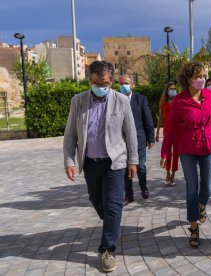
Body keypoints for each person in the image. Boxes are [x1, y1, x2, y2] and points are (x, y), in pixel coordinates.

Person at [63, 61, 138, 272]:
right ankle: (112, 224)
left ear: (111, 81)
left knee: (113, 204)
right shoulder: (78, 101)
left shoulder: (121, 101)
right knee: (96, 200)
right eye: (96, 83)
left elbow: (131, 133)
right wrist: (69, 161)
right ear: (90, 80)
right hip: (90, 162)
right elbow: (70, 134)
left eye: (104, 83)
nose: (100, 87)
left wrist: (133, 160)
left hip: (115, 162)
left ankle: (106, 249)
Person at [160, 61, 211, 248]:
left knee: (206, 187)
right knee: (192, 188)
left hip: (209, 146)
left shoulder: (209, 94)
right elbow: (171, 129)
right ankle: (193, 226)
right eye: (199, 76)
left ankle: (201, 207)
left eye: (203, 76)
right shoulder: (179, 101)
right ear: (189, 79)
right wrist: (165, 151)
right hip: (187, 149)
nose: (203, 79)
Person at [119, 74, 155, 204]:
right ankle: (129, 195)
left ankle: (143, 187)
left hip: (139, 139)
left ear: (132, 85)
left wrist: (151, 138)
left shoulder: (141, 99)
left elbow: (148, 120)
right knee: (125, 168)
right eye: (121, 83)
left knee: (140, 166)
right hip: (122, 141)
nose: (123, 86)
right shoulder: (116, 100)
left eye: (126, 83)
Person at [155, 82, 179, 186]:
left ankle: (173, 174)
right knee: (167, 152)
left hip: (178, 130)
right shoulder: (163, 101)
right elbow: (160, 117)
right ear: (167, 89)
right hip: (167, 129)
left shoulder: (179, 100)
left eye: (174, 88)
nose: (172, 90)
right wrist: (157, 133)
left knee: (176, 153)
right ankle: (167, 172)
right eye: (170, 88)